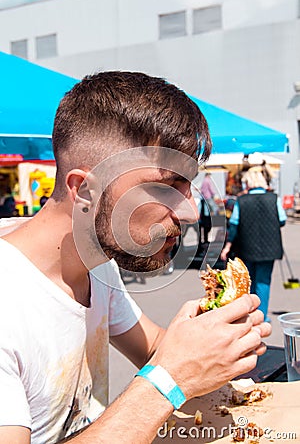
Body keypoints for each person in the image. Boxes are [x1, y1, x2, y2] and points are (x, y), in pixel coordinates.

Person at [0, 71, 270, 444]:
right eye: (168, 185)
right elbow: (166, 371)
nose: (191, 213)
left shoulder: (96, 259)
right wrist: (167, 380)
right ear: (84, 191)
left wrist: (215, 344)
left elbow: (155, 349)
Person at [221, 167, 287, 321]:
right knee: (264, 281)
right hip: (270, 247)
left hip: (246, 247)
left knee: (248, 280)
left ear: (248, 183)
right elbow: (282, 220)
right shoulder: (274, 198)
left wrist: (228, 246)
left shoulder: (241, 201)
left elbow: (234, 225)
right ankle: (262, 316)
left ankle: (248, 313)